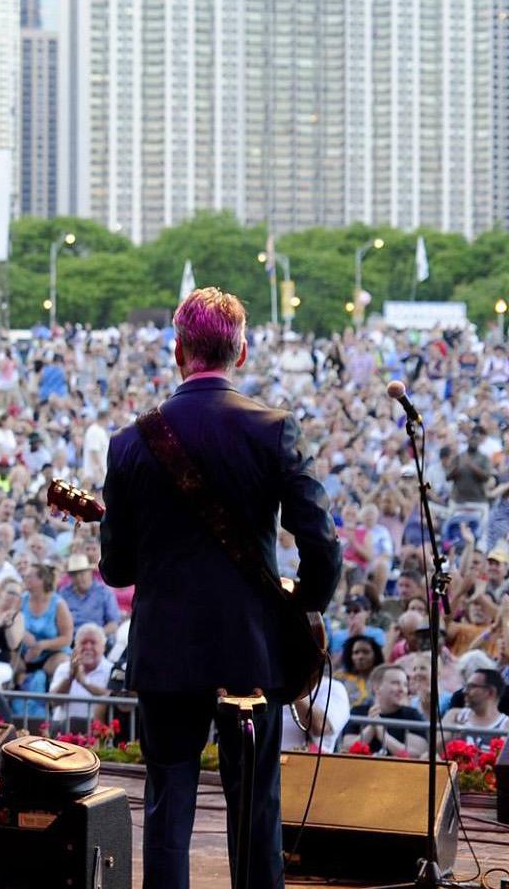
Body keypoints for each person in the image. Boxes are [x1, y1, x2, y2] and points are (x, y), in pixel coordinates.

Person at [101, 287, 341, 889]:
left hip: (166, 652)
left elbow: (117, 568)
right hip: (248, 649)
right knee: (255, 807)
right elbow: (321, 540)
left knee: (167, 804)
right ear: (242, 348)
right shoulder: (274, 429)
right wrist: (302, 605)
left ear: (177, 350)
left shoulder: (131, 442)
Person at [342, 664, 428, 757]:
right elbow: (346, 749)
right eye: (395, 683)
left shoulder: (412, 714)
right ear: (376, 687)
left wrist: (383, 735)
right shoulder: (358, 711)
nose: (402, 689)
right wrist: (371, 727)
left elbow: (417, 755)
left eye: (405, 684)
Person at [444, 667, 508, 746]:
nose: (464, 691)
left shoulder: (506, 725)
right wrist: (451, 738)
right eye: (466, 686)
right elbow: (434, 752)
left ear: (491, 692)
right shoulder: (454, 715)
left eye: (471, 686)